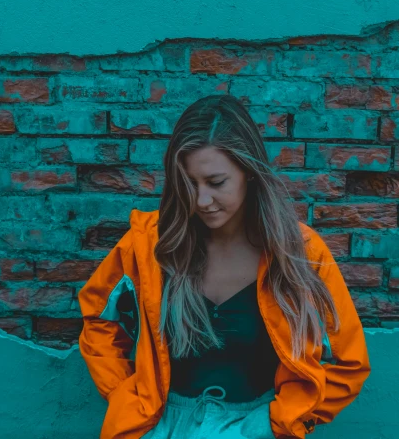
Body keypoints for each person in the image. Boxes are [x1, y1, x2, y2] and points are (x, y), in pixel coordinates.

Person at [78, 95, 371, 439]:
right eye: (189, 184)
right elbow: (99, 320)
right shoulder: (150, 245)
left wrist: (275, 422)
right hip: (160, 427)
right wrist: (127, 398)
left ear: (248, 171)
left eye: (216, 183)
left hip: (254, 428)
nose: (202, 200)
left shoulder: (300, 255)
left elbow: (348, 363)